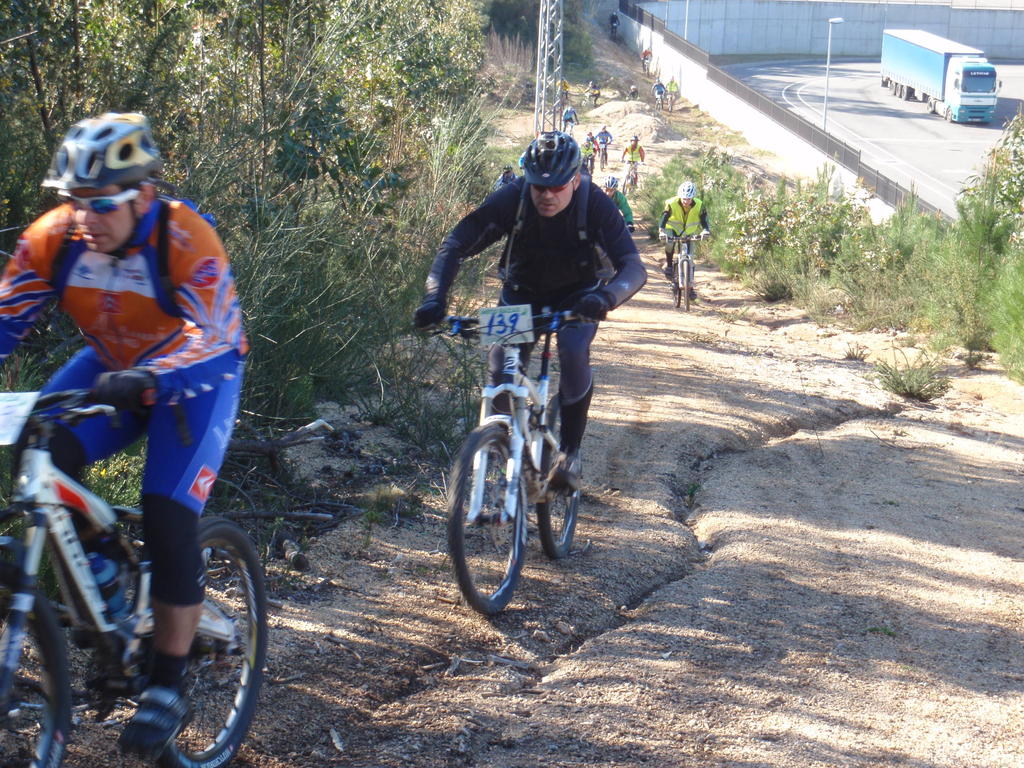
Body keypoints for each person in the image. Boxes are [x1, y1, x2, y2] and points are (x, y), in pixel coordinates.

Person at [0, 113, 248, 759]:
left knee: (168, 513)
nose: (87, 217)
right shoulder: (55, 241)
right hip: (111, 364)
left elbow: (217, 339)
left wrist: (152, 376)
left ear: (142, 193)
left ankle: (168, 682)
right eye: (74, 202)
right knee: (40, 447)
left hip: (194, 378)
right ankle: (105, 573)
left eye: (102, 203)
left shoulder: (184, 238)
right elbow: (1, 321)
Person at [413, 131, 646, 492]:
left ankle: (570, 451)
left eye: (557, 187)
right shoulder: (515, 198)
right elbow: (457, 243)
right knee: (499, 377)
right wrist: (434, 298)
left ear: (574, 178)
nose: (547, 195)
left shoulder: (595, 203)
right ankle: (506, 448)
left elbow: (633, 266)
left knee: (572, 352)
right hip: (521, 295)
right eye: (539, 187)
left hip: (579, 296)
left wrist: (606, 298)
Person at [659, 180, 711, 293]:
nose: (685, 201)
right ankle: (669, 266)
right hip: (672, 228)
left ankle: (690, 287)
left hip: (688, 232)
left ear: (692, 197)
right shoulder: (671, 203)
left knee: (690, 258)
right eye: (683, 198)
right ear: (679, 196)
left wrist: (706, 230)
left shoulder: (699, 205)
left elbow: (704, 220)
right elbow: (664, 218)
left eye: (688, 199)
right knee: (669, 243)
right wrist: (661, 231)